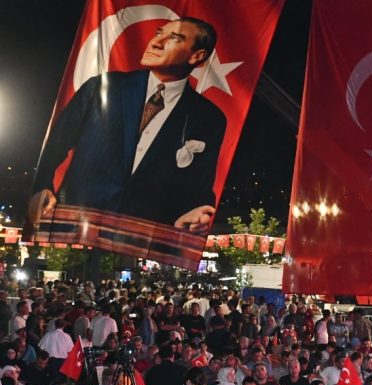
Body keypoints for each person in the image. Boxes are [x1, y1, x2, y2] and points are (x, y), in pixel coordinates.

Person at [29, 18, 226, 232]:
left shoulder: (209, 117)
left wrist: (198, 214)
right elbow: (54, 145)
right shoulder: (102, 88)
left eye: (174, 38)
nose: (156, 42)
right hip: (73, 228)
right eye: (158, 33)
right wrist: (40, 187)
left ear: (197, 55)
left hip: (141, 237)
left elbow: (200, 187)